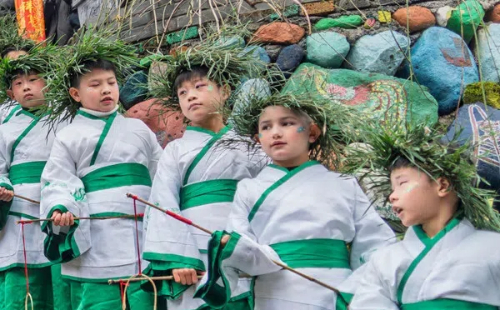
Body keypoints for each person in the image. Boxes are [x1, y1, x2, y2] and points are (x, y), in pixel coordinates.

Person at [194, 93, 396, 310]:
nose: (276, 133)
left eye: (287, 123)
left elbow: (376, 243)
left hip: (334, 290)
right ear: (257, 139)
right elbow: (242, 251)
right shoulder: (248, 189)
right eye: (266, 127)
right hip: (273, 293)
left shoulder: (344, 184)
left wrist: (355, 291)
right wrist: (230, 245)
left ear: (312, 132)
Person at [39, 28, 163, 310]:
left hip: (141, 226)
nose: (106, 89)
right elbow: (58, 178)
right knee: (99, 301)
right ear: (75, 93)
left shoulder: (138, 128)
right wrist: (61, 206)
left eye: (111, 82)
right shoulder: (69, 135)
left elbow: (160, 172)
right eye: (95, 84)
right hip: (98, 231)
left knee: (147, 296)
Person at [142, 41, 269, 310]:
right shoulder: (175, 150)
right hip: (195, 255)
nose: (190, 96)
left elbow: (269, 200)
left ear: (225, 91)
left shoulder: (252, 147)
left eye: (200, 87)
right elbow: (163, 203)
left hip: (242, 247)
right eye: (183, 92)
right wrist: (180, 259)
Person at [346, 123, 500, 309]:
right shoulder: (384, 261)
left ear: (442, 185)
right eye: (392, 188)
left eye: (402, 183)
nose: (392, 195)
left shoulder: (493, 249)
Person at [0, 45, 64, 310]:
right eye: (19, 83)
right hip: (19, 209)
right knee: (20, 281)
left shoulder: (65, 118)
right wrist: (3, 186)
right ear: (10, 92)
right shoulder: (4, 125)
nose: (27, 87)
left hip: (58, 206)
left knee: (60, 278)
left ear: (48, 82)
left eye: (33, 80)